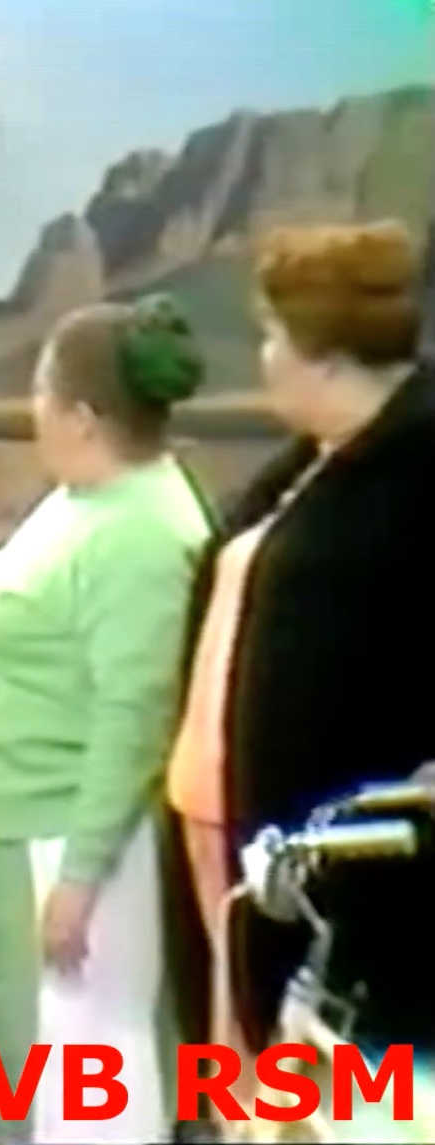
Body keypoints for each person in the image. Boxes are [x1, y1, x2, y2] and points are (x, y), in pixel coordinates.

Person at [0, 296, 214, 1145]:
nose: (34, 410)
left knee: (79, 1096)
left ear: (82, 415)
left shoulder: (142, 534)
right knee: (34, 1075)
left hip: (57, 842)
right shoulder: (93, 497)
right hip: (19, 832)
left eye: (41, 392)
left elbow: (135, 715)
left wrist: (80, 878)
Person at [163, 219, 435, 1071]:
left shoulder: (417, 467)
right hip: (232, 840)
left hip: (342, 864)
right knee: (243, 1077)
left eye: (274, 337)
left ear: (322, 354)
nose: (265, 357)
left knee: (321, 1087)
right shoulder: (305, 465)